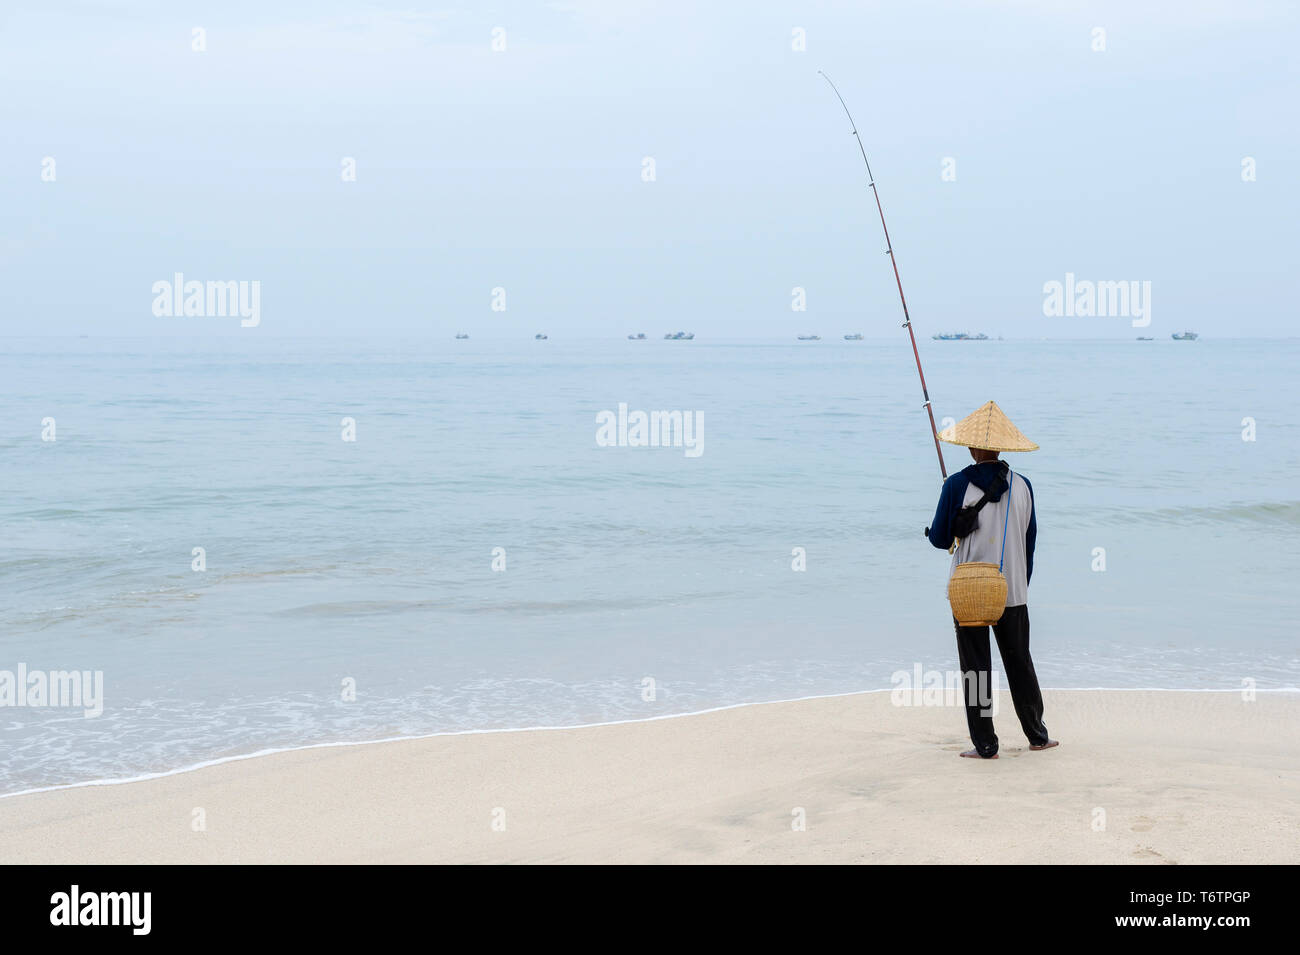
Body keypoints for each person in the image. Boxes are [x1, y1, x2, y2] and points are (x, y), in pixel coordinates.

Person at [926, 401, 1058, 759]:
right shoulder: (1024, 486)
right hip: (1011, 589)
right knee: (1020, 663)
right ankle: (1038, 735)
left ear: (971, 447)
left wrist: (951, 526)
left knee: (977, 669)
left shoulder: (955, 485)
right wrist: (1019, 585)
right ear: (1001, 447)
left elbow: (940, 539)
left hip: (968, 591)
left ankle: (986, 745)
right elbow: (1029, 545)